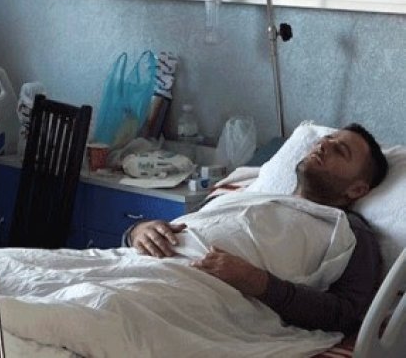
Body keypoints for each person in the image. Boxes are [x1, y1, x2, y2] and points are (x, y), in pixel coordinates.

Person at [127, 123, 388, 335]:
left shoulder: (349, 231)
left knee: (117, 314)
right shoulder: (243, 195)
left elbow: (345, 313)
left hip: (193, 296)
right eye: (326, 139)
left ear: (357, 189)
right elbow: (188, 226)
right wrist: (137, 232)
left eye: (340, 150)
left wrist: (259, 283)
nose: (323, 145)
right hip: (139, 266)